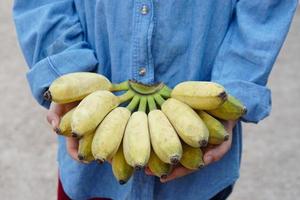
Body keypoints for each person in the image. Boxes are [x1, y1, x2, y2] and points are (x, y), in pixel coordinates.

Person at [13, 1, 297, 200]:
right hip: (93, 162)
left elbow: (263, 11)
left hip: (197, 164)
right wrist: (67, 74)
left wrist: (231, 91)